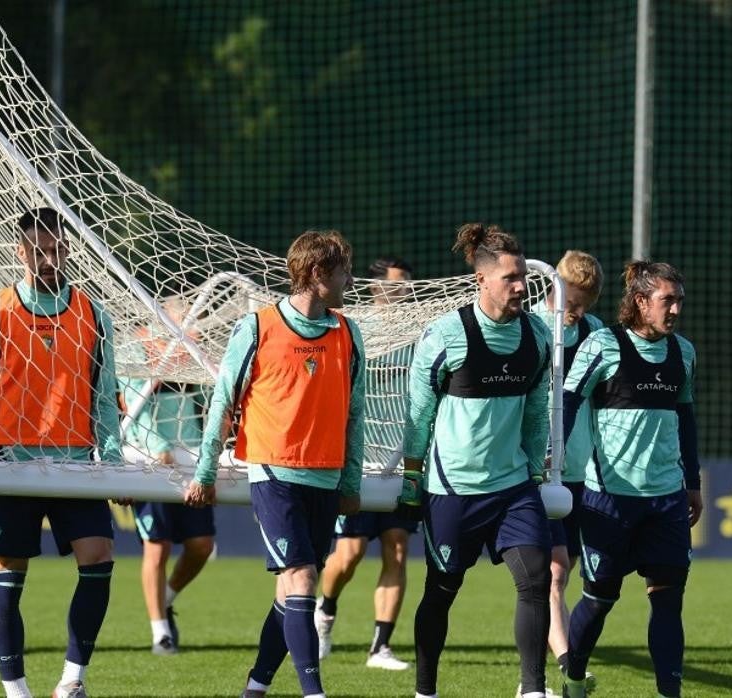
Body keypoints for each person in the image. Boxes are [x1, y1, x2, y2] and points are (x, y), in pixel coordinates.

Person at [184, 230, 366, 698]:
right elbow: (223, 400)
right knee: (303, 576)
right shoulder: (258, 327)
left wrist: (350, 478)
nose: (350, 278)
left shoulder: (348, 332)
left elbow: (355, 411)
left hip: (325, 477)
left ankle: (256, 686)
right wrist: (205, 471)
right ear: (316, 274)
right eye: (343, 269)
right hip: (273, 472)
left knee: (291, 593)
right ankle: (314, 693)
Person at [0, 207, 123, 698]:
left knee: (98, 557)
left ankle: (72, 679)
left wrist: (113, 464)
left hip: (76, 460)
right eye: (39, 250)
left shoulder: (93, 314)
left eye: (57, 249)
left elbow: (105, 394)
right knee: (9, 571)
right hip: (13, 464)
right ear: (21, 252)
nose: (49, 259)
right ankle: (16, 690)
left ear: (69, 249)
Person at [401, 224, 553, 698]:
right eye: (510, 277)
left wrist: (534, 470)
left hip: (513, 487)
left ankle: (532, 689)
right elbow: (419, 413)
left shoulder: (538, 336)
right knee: (441, 592)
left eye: (523, 276)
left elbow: (535, 412)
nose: (521, 286)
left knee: (535, 580)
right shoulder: (446, 335)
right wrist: (411, 480)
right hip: (452, 490)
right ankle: (426, 690)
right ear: (480, 281)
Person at [558, 261, 701, 698]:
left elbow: (686, 418)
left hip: (666, 501)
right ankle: (575, 678)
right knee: (600, 601)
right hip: (608, 502)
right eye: (666, 300)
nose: (675, 309)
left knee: (668, 599)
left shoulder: (683, 352)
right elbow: (566, 402)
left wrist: (692, 482)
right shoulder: (603, 345)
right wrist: (553, 461)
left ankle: (669, 693)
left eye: (679, 300)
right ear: (641, 302)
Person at [315, 255, 415, 671]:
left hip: (401, 461)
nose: (406, 293)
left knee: (397, 549)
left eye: (409, 285)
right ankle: (325, 610)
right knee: (350, 554)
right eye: (397, 286)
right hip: (361, 460)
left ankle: (380, 647)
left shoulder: (418, 332)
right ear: (376, 288)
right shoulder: (352, 328)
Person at [125, 298, 215, 656]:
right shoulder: (137, 346)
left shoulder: (194, 348)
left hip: (190, 458)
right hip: (150, 460)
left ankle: (165, 598)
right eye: (187, 310)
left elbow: (211, 400)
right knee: (157, 546)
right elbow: (131, 402)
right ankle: (160, 632)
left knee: (201, 546)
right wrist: (156, 444)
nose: (196, 318)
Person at [535, 250, 604, 691]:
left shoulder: (596, 334)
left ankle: (552, 642)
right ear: (552, 288)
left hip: (583, 473)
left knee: (570, 572)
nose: (574, 311)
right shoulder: (528, 327)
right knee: (555, 571)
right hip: (539, 472)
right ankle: (564, 662)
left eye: (583, 304)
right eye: (570, 300)